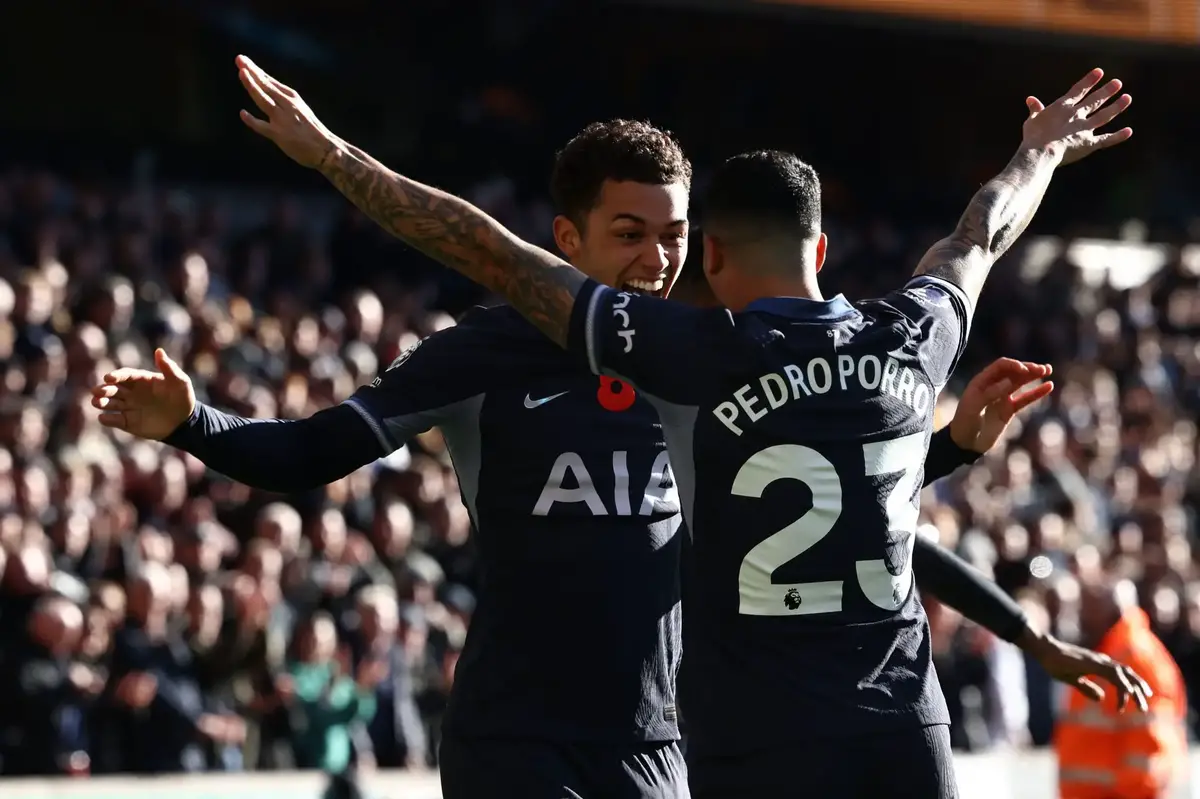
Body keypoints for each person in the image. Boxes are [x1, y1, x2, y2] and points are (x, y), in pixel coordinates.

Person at [93, 62, 1146, 798]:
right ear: (570, 237)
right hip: (518, 738)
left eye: (677, 238)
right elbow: (318, 447)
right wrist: (199, 423)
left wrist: (980, 531)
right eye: (631, 234)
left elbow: (856, 518)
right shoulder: (489, 354)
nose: (657, 259)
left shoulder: (699, 362)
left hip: (664, 742)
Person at [1055, 577, 1188, 799]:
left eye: (1089, 608)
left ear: (1113, 611)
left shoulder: (1136, 657)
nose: (1082, 616)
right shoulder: (1105, 654)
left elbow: (1147, 745)